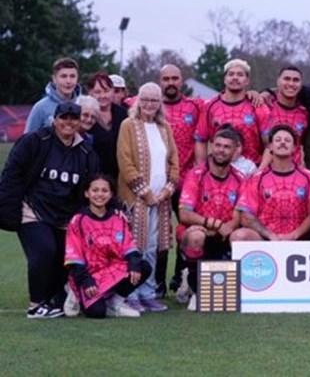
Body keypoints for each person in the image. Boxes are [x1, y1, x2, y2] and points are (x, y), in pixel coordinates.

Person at [0, 101, 100, 318]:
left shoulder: (85, 151)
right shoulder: (35, 141)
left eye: (73, 118)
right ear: (55, 120)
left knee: (64, 259)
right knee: (44, 251)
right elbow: (11, 174)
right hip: (32, 208)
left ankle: (53, 299)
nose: (69, 123)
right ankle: (36, 305)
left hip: (65, 215)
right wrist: (8, 211)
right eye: (64, 118)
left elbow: (91, 185)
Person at [117, 82, 179, 312]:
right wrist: (145, 192)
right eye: (146, 100)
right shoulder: (128, 125)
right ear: (138, 101)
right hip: (136, 200)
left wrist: (166, 191)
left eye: (154, 100)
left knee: (153, 247)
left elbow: (174, 162)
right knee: (135, 247)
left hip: (161, 201)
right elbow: (125, 161)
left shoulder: (165, 128)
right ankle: (131, 293)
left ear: (160, 103)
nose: (150, 104)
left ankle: (148, 292)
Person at [178, 127, 246, 310]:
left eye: (226, 147)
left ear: (235, 151)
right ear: (210, 147)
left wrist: (229, 227)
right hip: (198, 231)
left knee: (241, 235)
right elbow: (184, 214)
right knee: (196, 236)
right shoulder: (196, 174)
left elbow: (240, 215)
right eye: (217, 145)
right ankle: (195, 289)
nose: (221, 150)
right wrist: (213, 224)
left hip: (224, 234)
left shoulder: (240, 178)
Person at [64, 175, 151, 318]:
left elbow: (129, 247)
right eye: (95, 190)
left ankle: (115, 302)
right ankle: (75, 290)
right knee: (97, 313)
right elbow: (74, 257)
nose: (99, 194)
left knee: (143, 267)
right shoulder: (78, 221)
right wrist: (86, 281)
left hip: (112, 270)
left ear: (111, 194)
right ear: (87, 193)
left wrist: (134, 265)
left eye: (104, 190)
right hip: (89, 275)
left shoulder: (119, 218)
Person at [159, 63, 203, 298]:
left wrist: (258, 93)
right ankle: (157, 282)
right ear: (160, 81)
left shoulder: (195, 106)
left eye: (174, 78)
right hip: (157, 181)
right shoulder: (148, 105)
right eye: (166, 79)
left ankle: (181, 276)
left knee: (185, 230)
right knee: (159, 234)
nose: (170, 83)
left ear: (181, 80)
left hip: (186, 180)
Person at [231, 124, 310, 242]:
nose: (282, 143)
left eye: (287, 140)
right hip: (267, 238)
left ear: (294, 148)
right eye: (278, 140)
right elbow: (246, 217)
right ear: (270, 147)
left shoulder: (309, 176)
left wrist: (294, 235)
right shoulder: (257, 178)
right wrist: (270, 235)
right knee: (239, 236)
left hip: (300, 239)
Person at [194, 58, 272, 165]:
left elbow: (269, 144)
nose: (235, 77)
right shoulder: (209, 106)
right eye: (231, 74)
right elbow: (201, 140)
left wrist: (259, 172)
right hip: (219, 171)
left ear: (247, 80)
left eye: (240, 74)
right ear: (224, 79)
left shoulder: (257, 105)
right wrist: (201, 171)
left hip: (251, 171)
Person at [86, 71, 129, 180]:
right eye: (97, 92)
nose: (103, 96)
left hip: (119, 176)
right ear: (90, 93)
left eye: (106, 91)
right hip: (92, 176)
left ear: (112, 91)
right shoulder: (86, 116)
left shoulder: (124, 114)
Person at [264, 66, 309, 166]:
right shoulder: (264, 106)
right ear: (278, 82)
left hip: (294, 174)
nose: (291, 84)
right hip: (265, 172)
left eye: (296, 80)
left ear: (301, 85)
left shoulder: (305, 113)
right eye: (286, 79)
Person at [25, 57, 82, 133]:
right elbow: (27, 141)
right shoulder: (40, 108)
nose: (68, 81)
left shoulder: (84, 105)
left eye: (72, 76)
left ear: (77, 78)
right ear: (54, 79)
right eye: (63, 76)